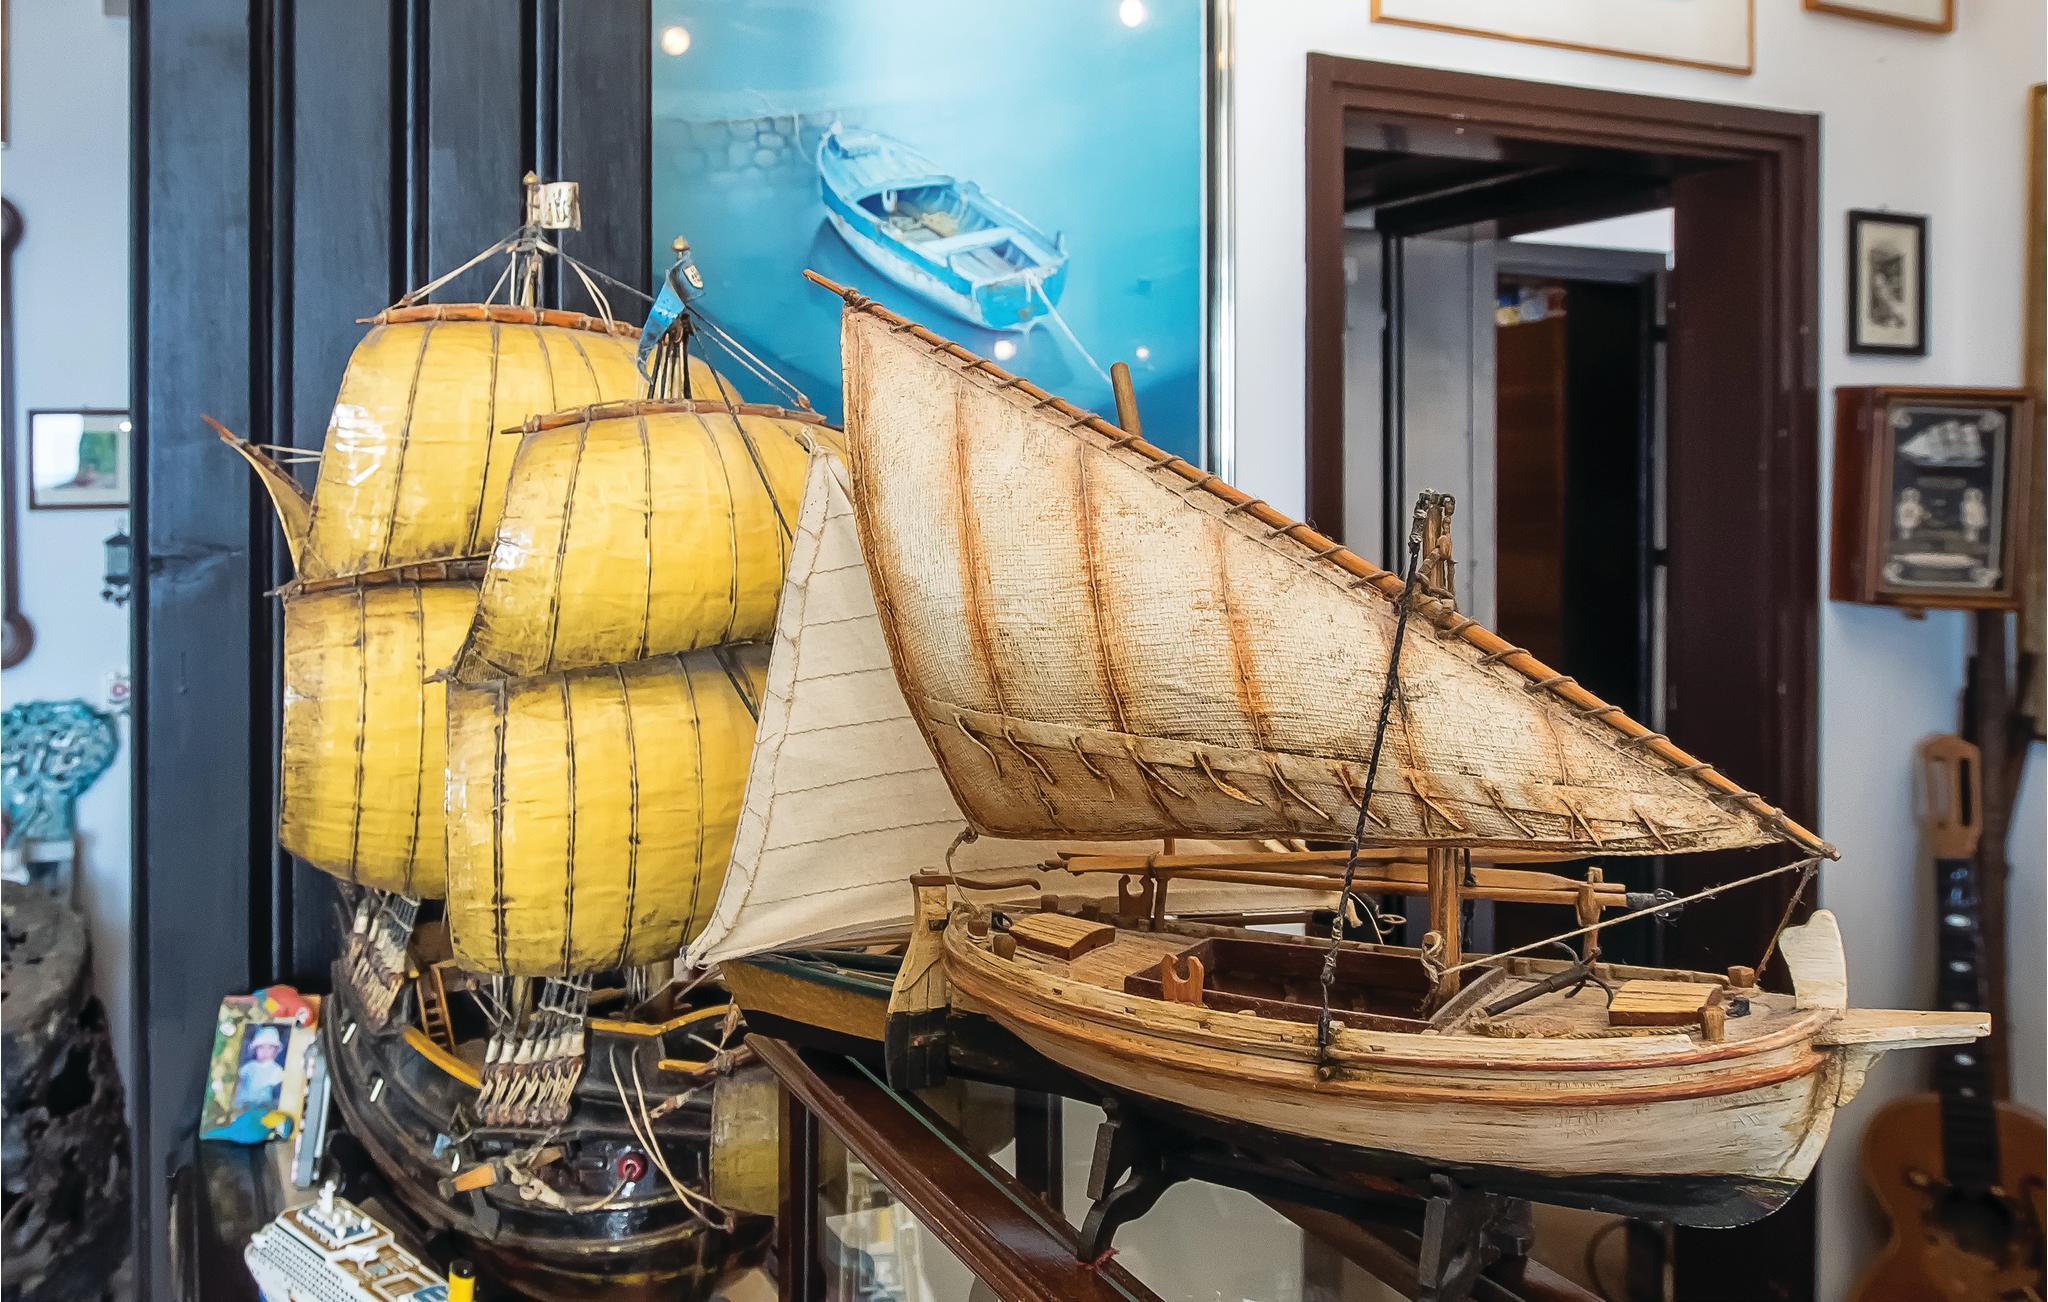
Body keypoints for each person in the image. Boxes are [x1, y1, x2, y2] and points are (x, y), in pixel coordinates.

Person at [235, 1026, 287, 1110]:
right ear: (255, 1049)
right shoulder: (249, 1066)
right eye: (261, 1047)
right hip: (242, 1103)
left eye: (270, 1048)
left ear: (276, 1051)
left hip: (261, 1107)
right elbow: (239, 1082)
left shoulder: (276, 1069)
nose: (265, 1051)